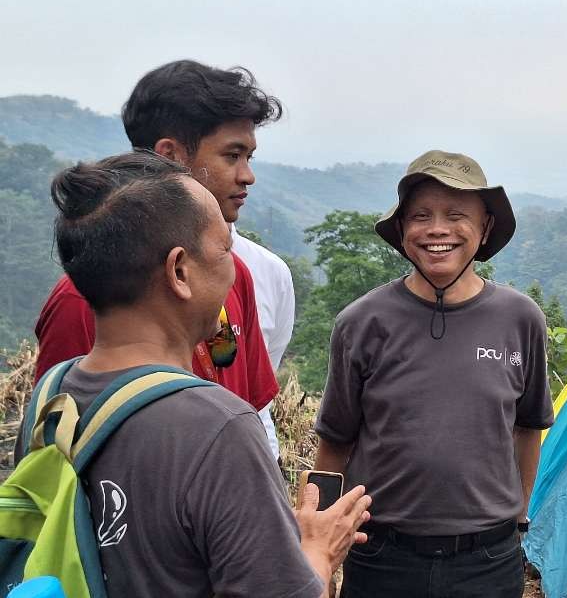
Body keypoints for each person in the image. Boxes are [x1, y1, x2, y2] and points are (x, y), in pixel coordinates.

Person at [19, 151, 372, 596]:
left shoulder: (52, 399)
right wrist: (317, 550)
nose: (233, 268)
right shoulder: (217, 428)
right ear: (179, 271)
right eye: (224, 248)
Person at [313, 150, 554, 597]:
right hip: (382, 556)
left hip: (488, 560)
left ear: (485, 229)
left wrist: (518, 518)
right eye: (421, 215)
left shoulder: (521, 319)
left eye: (456, 215)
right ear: (403, 231)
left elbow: (528, 427)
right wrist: (318, 555)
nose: (437, 229)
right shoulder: (362, 322)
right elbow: (334, 445)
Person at [34, 60, 281, 433]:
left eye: (249, 157)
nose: (247, 175)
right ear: (170, 155)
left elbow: (249, 413)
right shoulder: (85, 300)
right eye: (232, 155)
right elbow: (58, 453)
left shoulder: (233, 274)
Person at [231, 226, 296, 461]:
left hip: (258, 455)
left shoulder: (271, 271)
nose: (248, 185)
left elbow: (266, 365)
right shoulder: (145, 262)